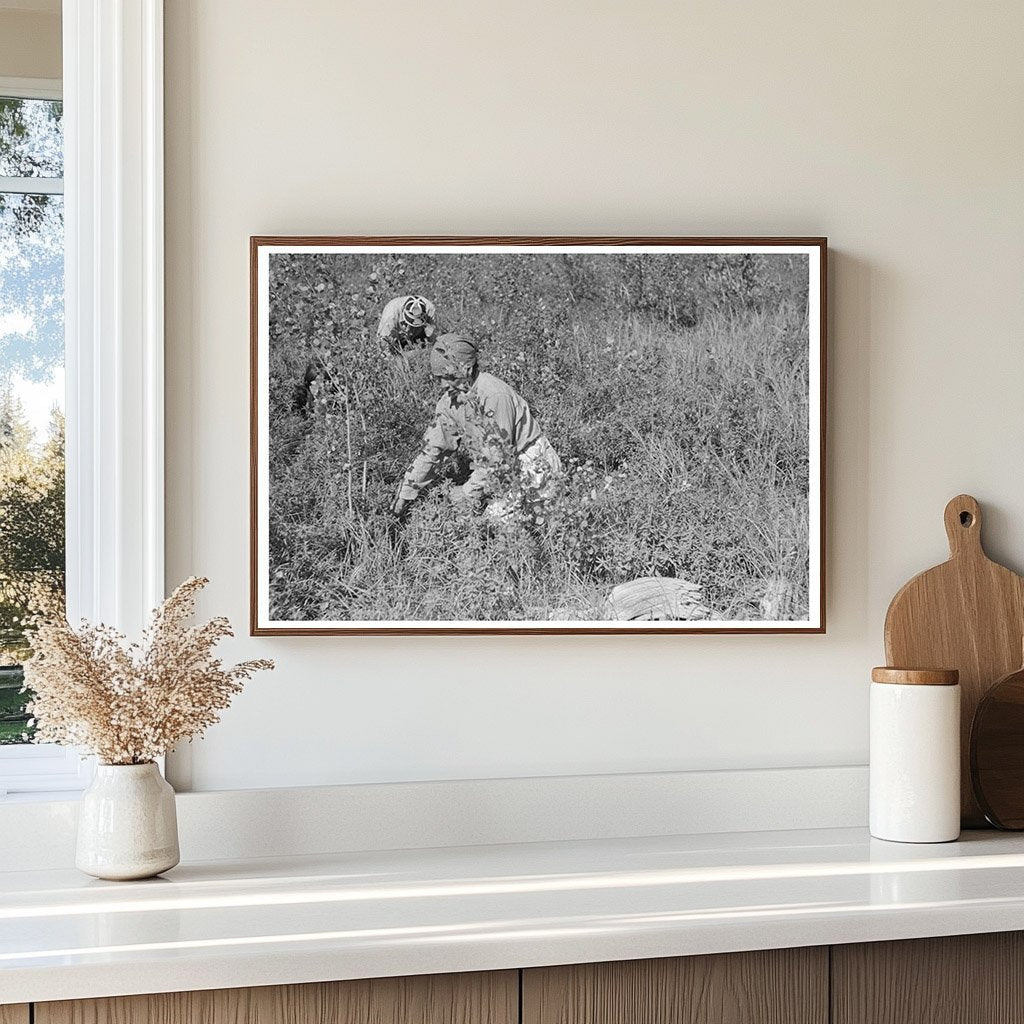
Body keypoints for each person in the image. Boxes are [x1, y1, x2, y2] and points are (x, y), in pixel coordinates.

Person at [392, 333, 562, 519]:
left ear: (466, 368)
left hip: (530, 462)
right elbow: (432, 449)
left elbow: (498, 458)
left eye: (448, 376)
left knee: (498, 525)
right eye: (438, 377)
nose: (442, 385)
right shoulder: (448, 402)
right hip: (496, 469)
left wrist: (467, 491)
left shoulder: (493, 395)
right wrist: (406, 490)